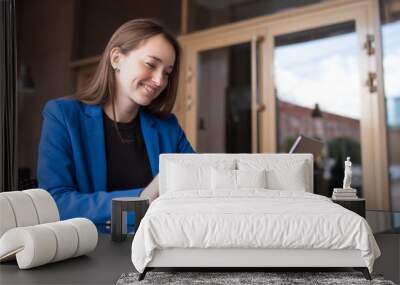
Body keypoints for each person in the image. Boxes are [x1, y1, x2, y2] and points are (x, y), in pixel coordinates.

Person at [37, 19, 194, 224]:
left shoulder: (168, 126)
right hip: (93, 250)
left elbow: (195, 183)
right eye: (150, 64)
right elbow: (55, 203)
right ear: (116, 58)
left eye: (167, 73)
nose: (159, 80)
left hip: (159, 245)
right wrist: (141, 199)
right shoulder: (62, 115)